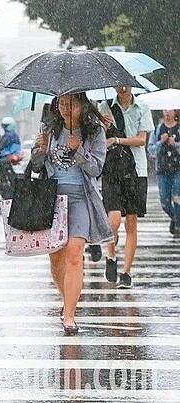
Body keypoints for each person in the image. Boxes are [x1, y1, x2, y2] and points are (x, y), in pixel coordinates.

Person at [31, 92, 112, 336]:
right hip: (52, 198)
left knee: (75, 253)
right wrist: (40, 150)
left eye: (71, 104)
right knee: (56, 259)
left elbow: (96, 169)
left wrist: (78, 150)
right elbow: (36, 166)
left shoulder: (95, 131)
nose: (65, 108)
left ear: (82, 105)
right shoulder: (50, 128)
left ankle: (69, 315)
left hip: (80, 198)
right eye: (61, 104)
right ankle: (67, 299)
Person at [98, 85, 155, 289]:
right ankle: (111, 255)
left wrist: (117, 139)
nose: (121, 87)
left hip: (135, 170)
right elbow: (99, 140)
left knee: (131, 222)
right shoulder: (104, 106)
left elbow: (141, 140)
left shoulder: (142, 107)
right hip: (112, 171)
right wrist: (103, 127)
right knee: (112, 221)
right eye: (118, 83)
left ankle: (127, 272)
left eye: (125, 83)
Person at [148, 109, 180, 237]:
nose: (167, 113)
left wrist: (175, 144)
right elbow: (151, 150)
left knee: (177, 197)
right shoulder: (157, 129)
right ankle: (175, 218)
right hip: (162, 170)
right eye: (165, 110)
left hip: (177, 169)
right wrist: (161, 142)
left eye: (170, 110)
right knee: (165, 202)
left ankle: (178, 225)